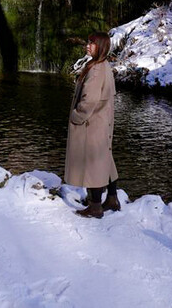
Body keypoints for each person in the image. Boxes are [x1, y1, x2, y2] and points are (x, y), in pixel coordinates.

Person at [64, 31, 120, 218]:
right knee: (105, 159)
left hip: (92, 124)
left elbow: (89, 100)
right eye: (88, 43)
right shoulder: (103, 65)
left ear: (101, 47)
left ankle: (95, 206)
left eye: (92, 44)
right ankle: (112, 198)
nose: (88, 46)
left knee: (93, 164)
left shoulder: (95, 70)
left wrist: (76, 116)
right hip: (102, 121)